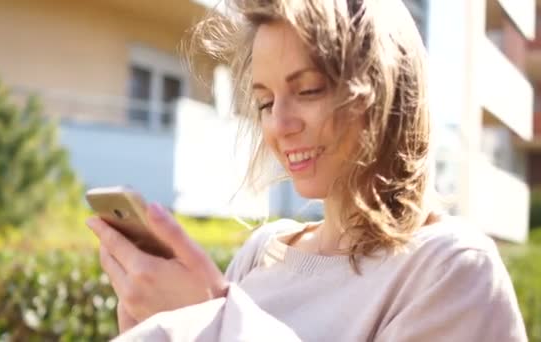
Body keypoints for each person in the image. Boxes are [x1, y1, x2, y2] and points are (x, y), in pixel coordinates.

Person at [86, 0, 527, 340]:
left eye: (309, 90)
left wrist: (215, 322)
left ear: (384, 89)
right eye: (265, 101)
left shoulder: (452, 268)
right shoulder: (262, 253)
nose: (279, 124)